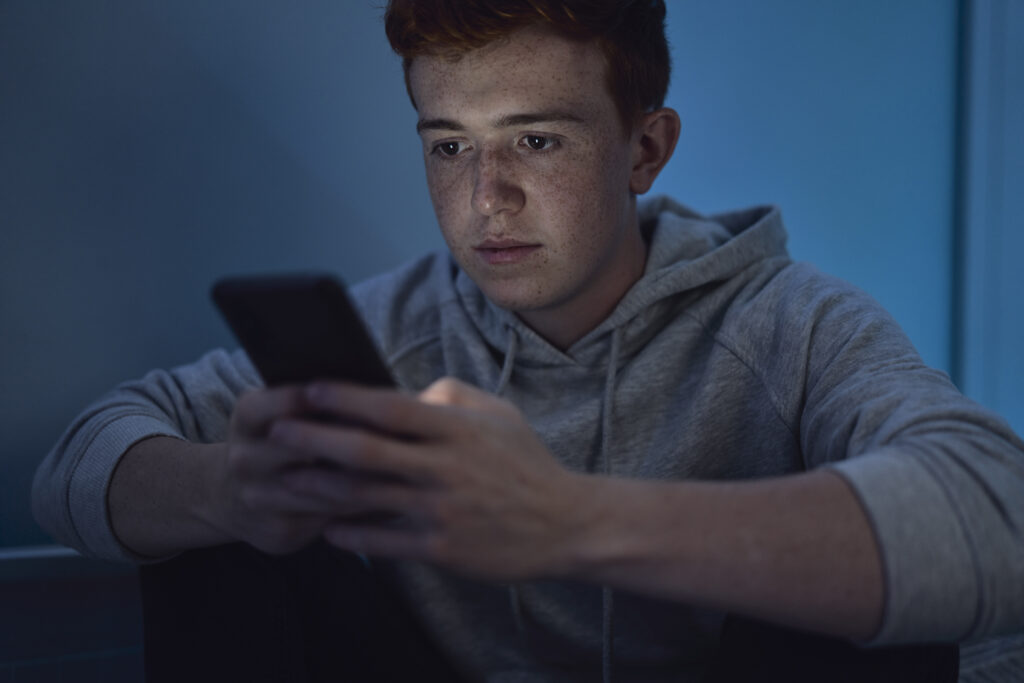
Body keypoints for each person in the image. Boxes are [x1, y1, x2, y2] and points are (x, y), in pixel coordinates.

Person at [32, 1, 1024, 681]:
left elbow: (999, 510)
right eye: (449, 145)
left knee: (853, 605)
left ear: (645, 148)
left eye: (536, 141)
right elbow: (78, 459)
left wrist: (569, 518)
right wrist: (234, 490)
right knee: (216, 544)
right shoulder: (396, 324)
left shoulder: (788, 323)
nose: (483, 198)